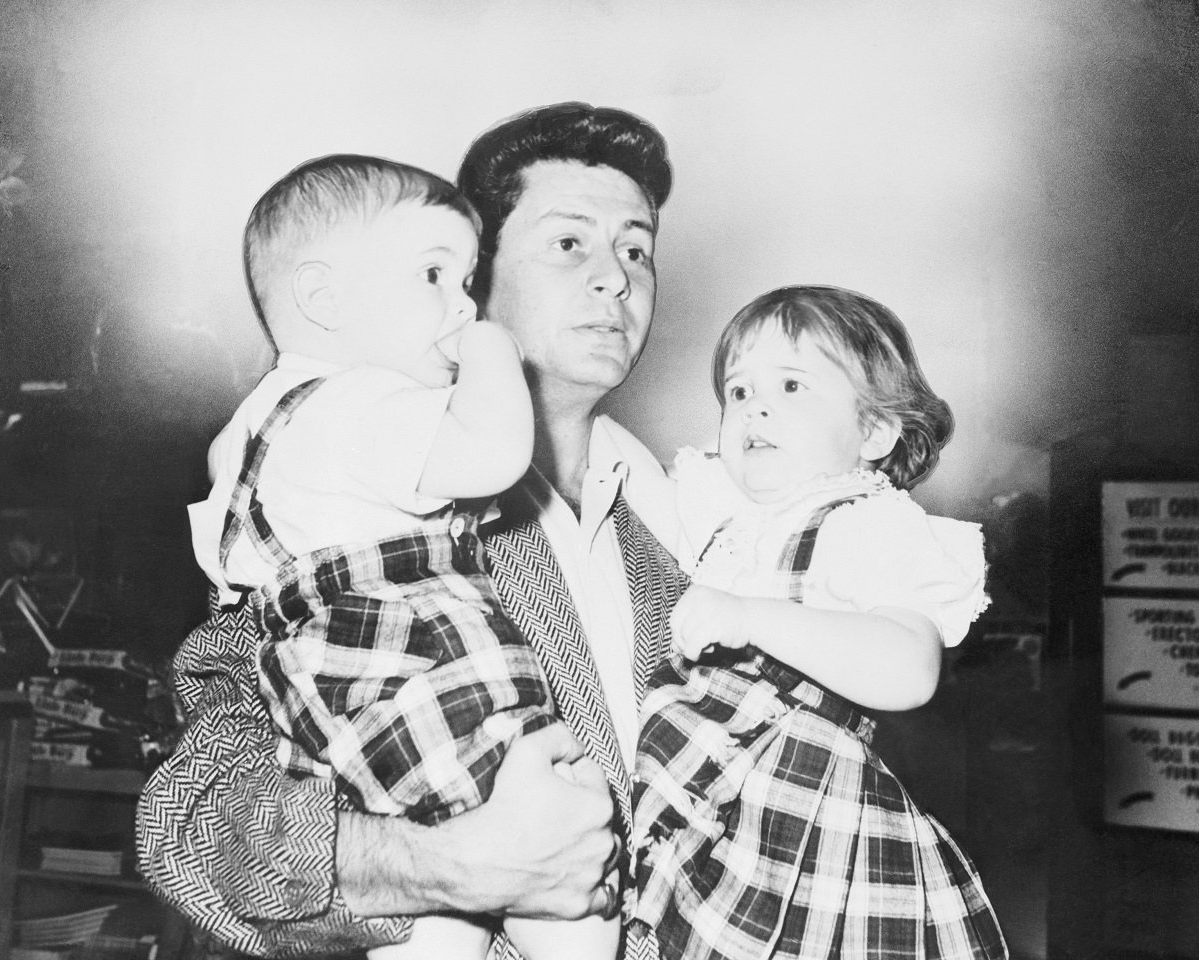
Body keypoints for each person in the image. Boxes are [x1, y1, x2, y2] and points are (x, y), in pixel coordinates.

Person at [136, 103, 688, 960]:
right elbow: (197, 828)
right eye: (570, 243)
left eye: (636, 249)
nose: (617, 278)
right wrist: (444, 866)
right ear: (476, 279)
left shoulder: (690, 535)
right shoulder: (349, 503)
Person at [630, 285, 1009, 960]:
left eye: (793, 385)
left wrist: (750, 617)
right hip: (705, 799)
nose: (758, 405)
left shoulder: (865, 521)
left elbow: (908, 669)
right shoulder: (721, 512)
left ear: (872, 432)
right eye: (738, 392)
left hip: (800, 817)